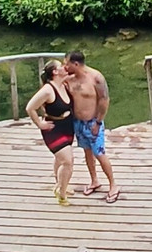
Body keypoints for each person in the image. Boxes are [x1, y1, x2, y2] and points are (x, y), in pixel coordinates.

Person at [64, 50, 120, 203]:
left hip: (93, 122)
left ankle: (113, 185)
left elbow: (104, 100)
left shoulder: (96, 78)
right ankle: (94, 180)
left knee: (99, 153)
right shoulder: (68, 79)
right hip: (78, 122)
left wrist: (98, 122)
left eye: (67, 64)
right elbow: (50, 84)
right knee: (87, 152)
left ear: (76, 64)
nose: (65, 67)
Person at [25, 59, 75, 205]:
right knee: (67, 161)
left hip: (67, 125)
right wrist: (40, 124)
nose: (65, 68)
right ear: (55, 72)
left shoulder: (64, 84)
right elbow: (30, 108)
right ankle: (62, 194)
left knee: (60, 159)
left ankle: (59, 183)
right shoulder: (48, 90)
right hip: (53, 128)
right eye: (61, 66)